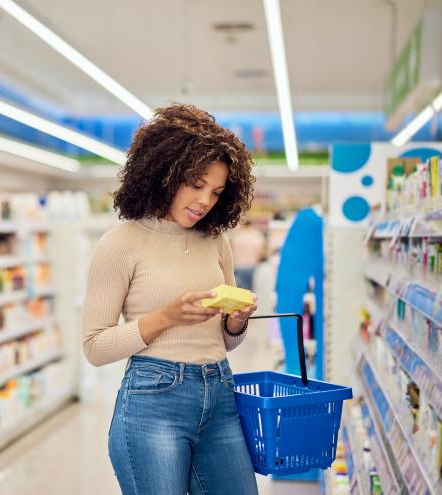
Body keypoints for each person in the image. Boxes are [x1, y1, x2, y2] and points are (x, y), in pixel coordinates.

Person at [82, 104, 259, 495]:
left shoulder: (215, 240)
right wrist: (165, 316)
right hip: (153, 400)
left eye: (216, 191)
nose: (204, 201)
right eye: (195, 185)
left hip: (220, 393)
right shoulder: (120, 243)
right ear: (165, 174)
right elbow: (94, 346)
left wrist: (236, 319)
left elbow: (226, 341)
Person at [230, 219, 266, 291]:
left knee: (242, 291)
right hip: (253, 266)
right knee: (253, 290)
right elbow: (262, 253)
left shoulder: (237, 236)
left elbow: (231, 252)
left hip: (239, 266)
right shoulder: (258, 236)